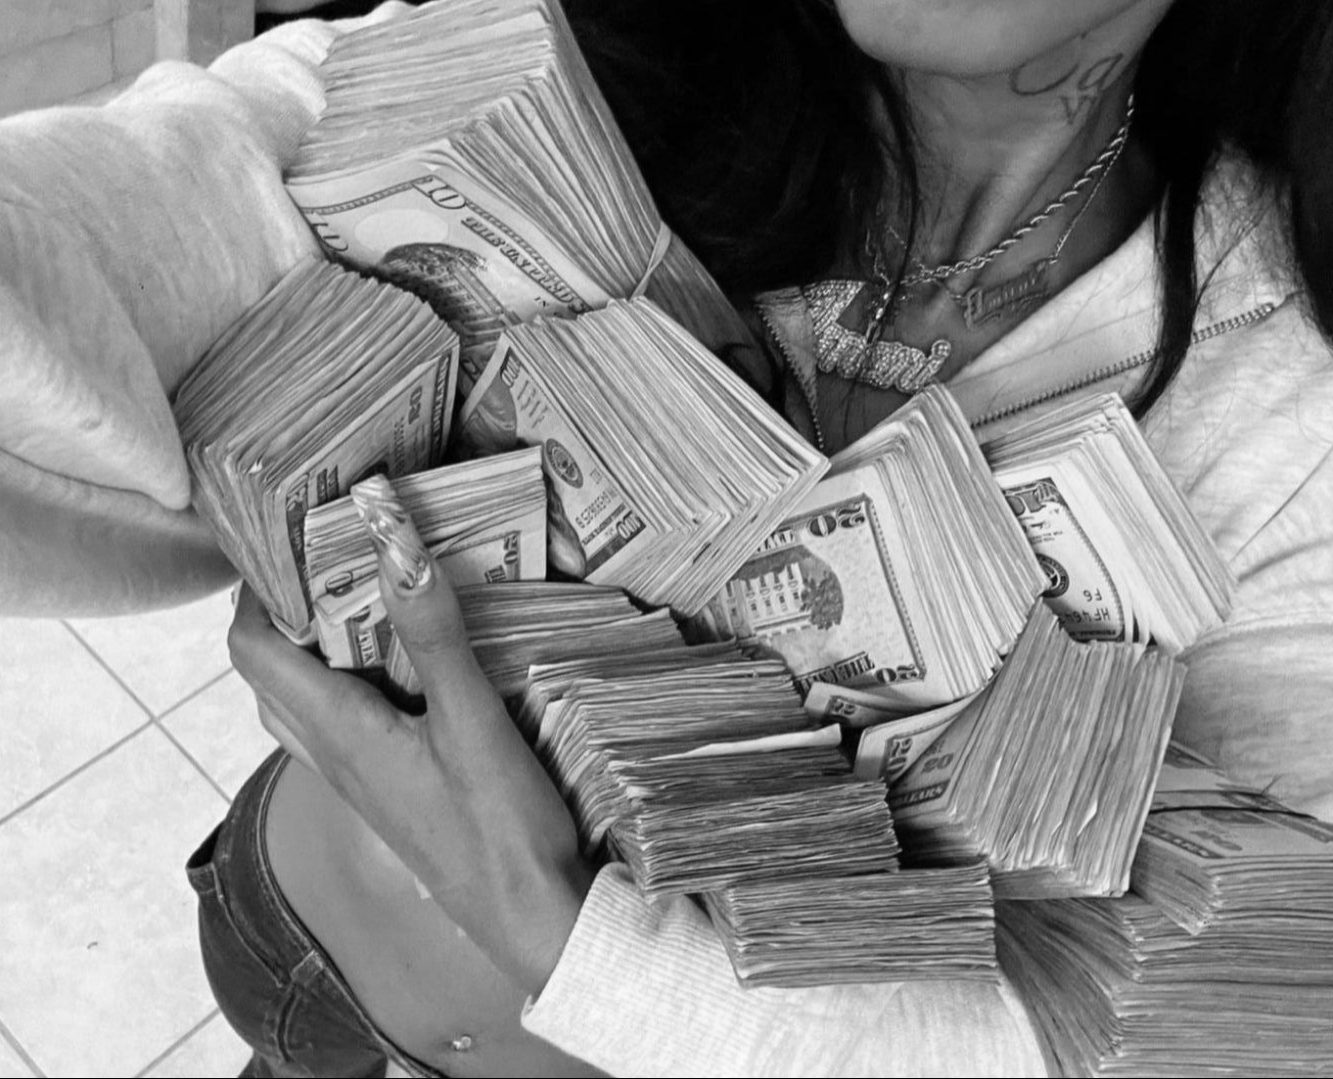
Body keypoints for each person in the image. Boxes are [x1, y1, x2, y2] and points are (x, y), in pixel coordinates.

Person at [198, 0, 1333, 1075]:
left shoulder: (1289, 425)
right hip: (278, 915)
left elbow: (1207, 1037)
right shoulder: (628, 59)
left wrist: (569, 933)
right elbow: (215, 147)